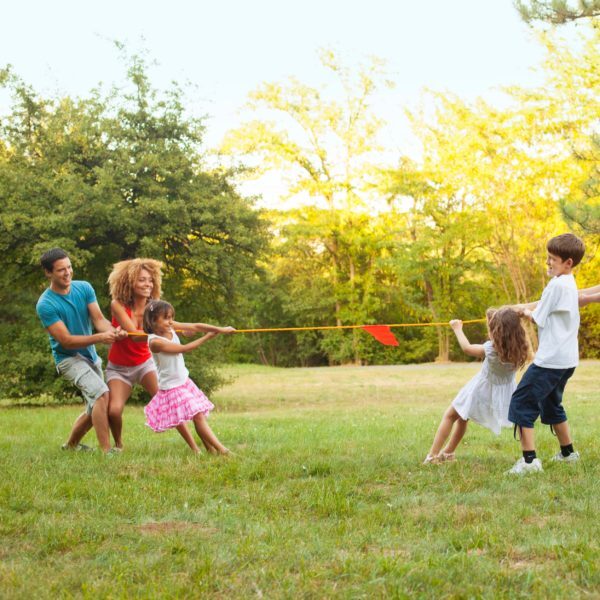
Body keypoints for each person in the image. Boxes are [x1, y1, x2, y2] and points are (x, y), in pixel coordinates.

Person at [105, 258, 233, 450]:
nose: (148, 284)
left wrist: (215, 329)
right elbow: (137, 337)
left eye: (150, 280)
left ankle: (195, 448)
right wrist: (170, 331)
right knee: (114, 410)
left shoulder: (153, 307)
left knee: (172, 402)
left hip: (145, 362)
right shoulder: (118, 304)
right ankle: (118, 445)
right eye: (141, 280)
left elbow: (177, 325)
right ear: (128, 281)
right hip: (120, 366)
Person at [506, 233, 585, 475]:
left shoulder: (556, 285)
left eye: (552, 259)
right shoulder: (569, 284)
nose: (548, 262)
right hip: (567, 360)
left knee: (521, 402)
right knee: (552, 404)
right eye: (547, 257)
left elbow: (537, 316)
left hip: (550, 361)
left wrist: (522, 312)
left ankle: (529, 462)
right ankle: (568, 453)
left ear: (568, 262)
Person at [35, 248, 127, 453]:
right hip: (68, 359)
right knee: (101, 394)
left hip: (90, 356)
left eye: (69, 267)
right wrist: (100, 337)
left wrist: (114, 332)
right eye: (61, 270)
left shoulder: (84, 288)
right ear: (48, 273)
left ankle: (70, 446)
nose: (67, 273)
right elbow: (66, 341)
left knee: (95, 407)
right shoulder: (45, 304)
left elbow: (98, 320)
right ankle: (106, 451)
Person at [423, 307, 531, 464]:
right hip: (505, 392)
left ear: (497, 330)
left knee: (451, 416)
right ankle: (448, 452)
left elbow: (466, 348)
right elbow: (502, 329)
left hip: (481, 390)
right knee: (462, 417)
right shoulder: (520, 349)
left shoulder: (491, 349)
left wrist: (457, 328)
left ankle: (432, 456)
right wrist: (493, 318)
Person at [142, 299, 234, 454]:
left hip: (184, 381)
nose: (170, 321)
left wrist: (221, 329)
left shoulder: (170, 327)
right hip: (172, 387)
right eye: (166, 318)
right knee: (198, 416)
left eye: (171, 317)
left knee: (199, 417)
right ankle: (223, 451)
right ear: (152, 321)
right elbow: (183, 348)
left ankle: (211, 450)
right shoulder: (155, 342)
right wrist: (207, 337)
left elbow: (195, 326)